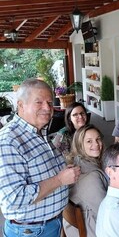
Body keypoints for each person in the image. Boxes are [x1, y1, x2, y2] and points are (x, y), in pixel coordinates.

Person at [0, 78, 81, 237]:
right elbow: (14, 198)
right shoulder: (9, 141)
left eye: (50, 103)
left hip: (50, 224)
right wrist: (60, 180)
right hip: (31, 231)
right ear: (21, 105)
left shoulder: (40, 133)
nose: (47, 108)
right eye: (39, 102)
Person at [63, 124, 108, 237]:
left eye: (98, 139)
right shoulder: (91, 177)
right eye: (89, 141)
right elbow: (106, 214)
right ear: (79, 145)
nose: (96, 144)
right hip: (91, 229)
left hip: (73, 228)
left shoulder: (76, 163)